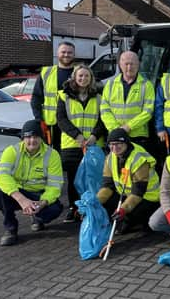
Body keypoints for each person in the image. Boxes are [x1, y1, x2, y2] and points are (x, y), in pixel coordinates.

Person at [0, 120, 64, 246]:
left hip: (38, 195)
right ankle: (10, 229)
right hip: (18, 194)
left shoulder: (52, 155)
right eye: (28, 137)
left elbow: (55, 186)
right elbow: (1, 176)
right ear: (22, 138)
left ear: (41, 138)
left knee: (55, 209)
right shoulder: (12, 151)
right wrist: (21, 199)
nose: (32, 141)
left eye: (36, 137)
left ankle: (37, 218)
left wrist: (42, 203)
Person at [56, 64, 106, 222]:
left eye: (86, 76)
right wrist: (77, 136)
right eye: (80, 76)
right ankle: (74, 207)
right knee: (73, 178)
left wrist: (94, 136)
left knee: (92, 177)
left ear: (91, 78)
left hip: (93, 144)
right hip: (72, 144)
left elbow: (102, 119)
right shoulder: (64, 96)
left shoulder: (99, 96)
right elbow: (61, 119)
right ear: (74, 78)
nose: (83, 79)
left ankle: (91, 207)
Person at [96, 128, 160, 233]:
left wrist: (123, 209)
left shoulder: (139, 159)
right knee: (105, 203)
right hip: (127, 195)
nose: (114, 148)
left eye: (118, 144)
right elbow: (107, 186)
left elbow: (138, 192)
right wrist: (95, 202)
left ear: (126, 143)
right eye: (111, 144)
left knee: (136, 215)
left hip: (148, 198)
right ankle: (126, 221)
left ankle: (137, 221)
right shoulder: (110, 158)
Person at [100, 51, 155, 151]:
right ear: (120, 65)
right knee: (115, 165)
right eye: (126, 64)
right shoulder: (110, 84)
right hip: (115, 135)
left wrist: (128, 127)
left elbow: (148, 112)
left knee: (137, 165)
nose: (129, 67)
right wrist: (115, 129)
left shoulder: (147, 85)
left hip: (137, 136)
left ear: (138, 65)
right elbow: (104, 109)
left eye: (132, 64)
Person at [31, 41, 76, 150]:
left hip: (73, 122)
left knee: (69, 153)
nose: (66, 55)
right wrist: (39, 119)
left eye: (70, 52)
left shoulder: (80, 73)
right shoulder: (46, 72)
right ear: (57, 53)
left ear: (74, 55)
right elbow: (36, 98)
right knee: (51, 153)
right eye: (63, 52)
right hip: (51, 124)